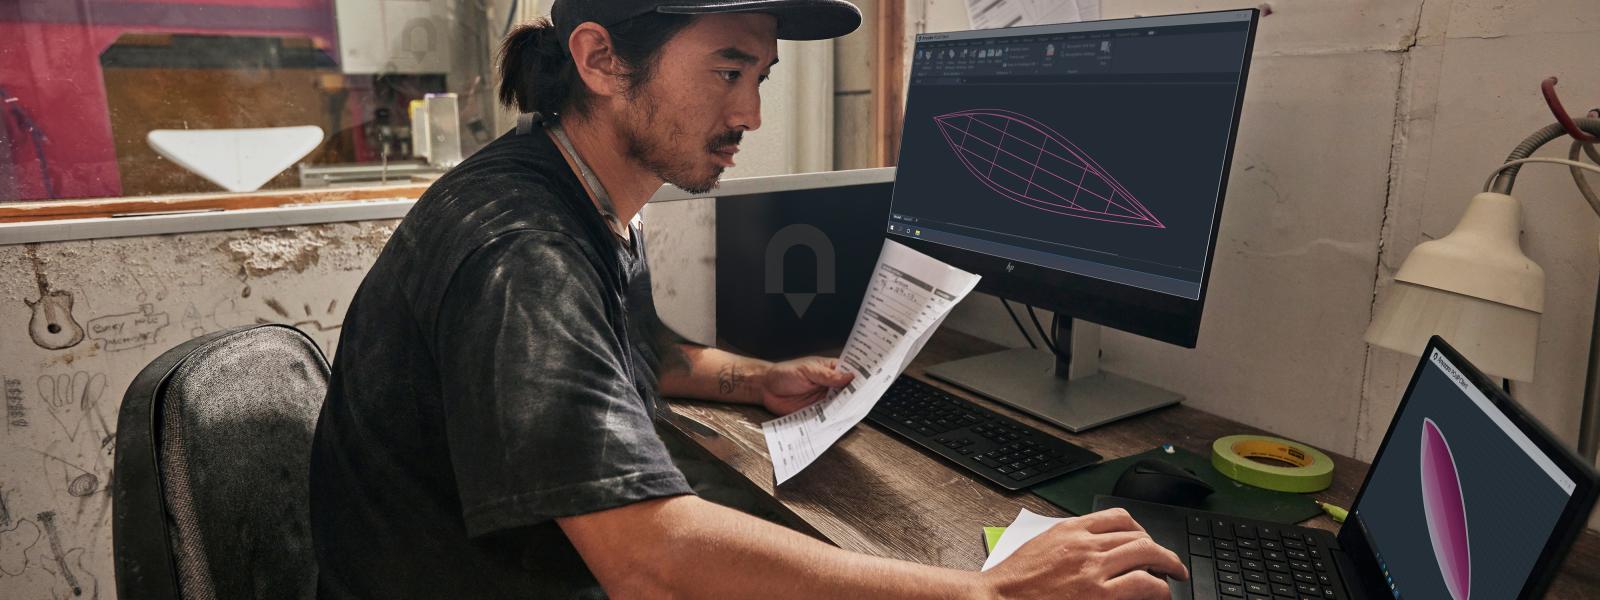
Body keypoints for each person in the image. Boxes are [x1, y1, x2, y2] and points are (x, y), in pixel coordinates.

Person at [308, 1, 1188, 597]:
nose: (752, 114)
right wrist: (985, 590)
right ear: (601, 59)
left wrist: (755, 380)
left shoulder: (579, 184)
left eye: (760, 77)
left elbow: (640, 350)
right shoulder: (523, 252)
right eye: (727, 72)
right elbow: (648, 563)